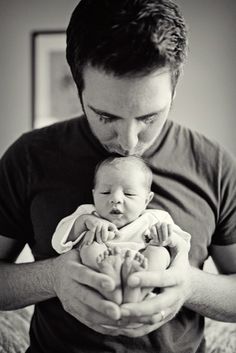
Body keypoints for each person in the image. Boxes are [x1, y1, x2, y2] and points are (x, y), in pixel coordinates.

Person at [0, 0, 235, 352]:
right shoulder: (29, 156)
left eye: (149, 117)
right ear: (77, 85)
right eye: (106, 117)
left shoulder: (213, 163)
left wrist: (190, 285)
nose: (128, 142)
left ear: (175, 86)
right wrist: (54, 278)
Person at [51, 155, 190, 305]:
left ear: (147, 200)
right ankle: (111, 281)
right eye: (105, 192)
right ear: (93, 195)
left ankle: (137, 288)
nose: (116, 199)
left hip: (143, 263)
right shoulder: (88, 214)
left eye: (129, 194)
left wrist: (166, 236)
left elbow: (182, 247)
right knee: (91, 244)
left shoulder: (155, 218)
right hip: (102, 264)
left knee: (160, 251)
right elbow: (58, 242)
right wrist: (84, 222)